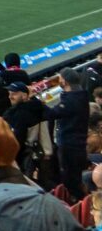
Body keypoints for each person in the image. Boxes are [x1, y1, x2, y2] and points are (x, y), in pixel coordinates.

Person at [52, 68, 90, 199]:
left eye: (60, 78)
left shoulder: (70, 101)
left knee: (71, 180)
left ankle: (80, 205)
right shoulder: (80, 96)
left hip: (70, 147)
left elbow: (50, 114)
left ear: (65, 81)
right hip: (77, 145)